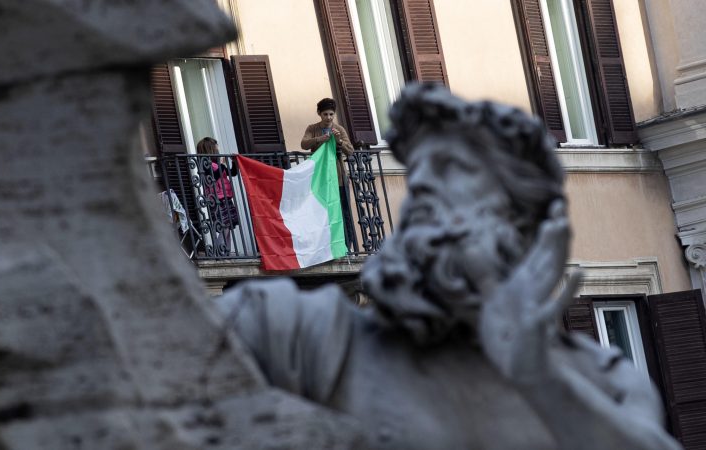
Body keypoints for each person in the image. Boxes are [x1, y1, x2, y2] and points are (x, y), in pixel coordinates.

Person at [217, 85, 680, 449]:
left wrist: (537, 375)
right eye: (421, 191)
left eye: (455, 196)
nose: (425, 220)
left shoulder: (603, 377)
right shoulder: (299, 330)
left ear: (521, 230)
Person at [300, 98, 356, 253]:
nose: (329, 117)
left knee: (343, 212)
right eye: (325, 114)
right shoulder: (312, 128)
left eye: (331, 114)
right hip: (320, 178)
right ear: (319, 113)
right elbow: (304, 144)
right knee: (321, 212)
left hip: (338, 179)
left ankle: (347, 247)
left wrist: (339, 141)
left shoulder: (339, 129)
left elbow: (350, 151)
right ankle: (325, 247)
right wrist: (320, 139)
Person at [196, 137, 239, 256]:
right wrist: (222, 165)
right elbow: (214, 176)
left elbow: (232, 173)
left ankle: (226, 251)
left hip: (225, 197)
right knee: (224, 225)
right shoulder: (205, 164)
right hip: (216, 199)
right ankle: (218, 251)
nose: (218, 149)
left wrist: (234, 162)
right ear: (210, 149)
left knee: (228, 225)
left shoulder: (216, 163)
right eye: (216, 146)